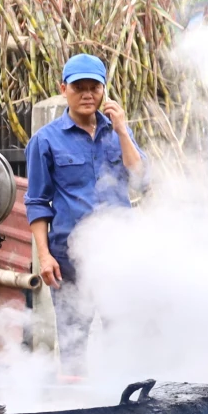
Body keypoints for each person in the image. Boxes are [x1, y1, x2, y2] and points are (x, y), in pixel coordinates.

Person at [25, 53, 146, 367]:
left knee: (123, 338)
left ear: (104, 90)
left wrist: (122, 130)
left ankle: (120, 393)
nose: (87, 94)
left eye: (95, 87)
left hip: (118, 257)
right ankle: (72, 393)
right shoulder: (45, 140)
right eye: (79, 87)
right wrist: (44, 256)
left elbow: (141, 179)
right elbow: (36, 202)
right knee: (73, 342)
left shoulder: (117, 133)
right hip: (70, 259)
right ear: (63, 88)